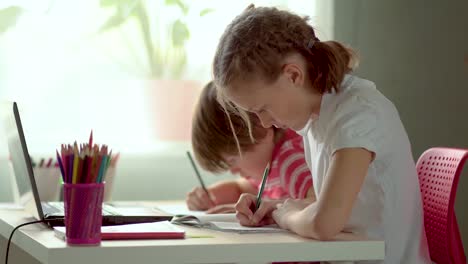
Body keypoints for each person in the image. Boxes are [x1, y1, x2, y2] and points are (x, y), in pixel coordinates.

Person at [212, 4, 431, 263]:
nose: (265, 122)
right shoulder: (318, 119)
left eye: (263, 108)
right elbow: (334, 207)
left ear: (293, 75)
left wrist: (284, 216)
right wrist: (277, 207)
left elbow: (324, 223)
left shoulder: (358, 115)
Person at [186, 81, 315, 214]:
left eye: (232, 160)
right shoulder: (269, 164)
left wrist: (267, 208)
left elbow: (320, 203)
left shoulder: (290, 162)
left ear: (259, 128)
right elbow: (240, 189)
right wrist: (209, 196)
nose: (233, 171)